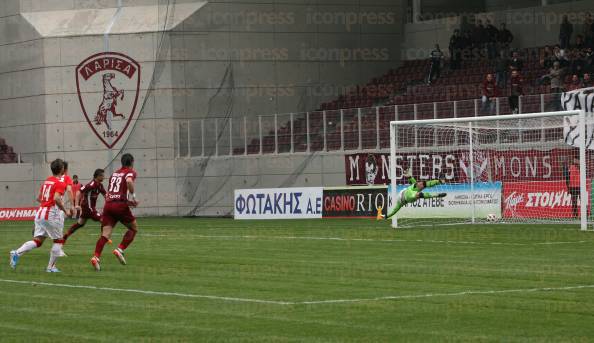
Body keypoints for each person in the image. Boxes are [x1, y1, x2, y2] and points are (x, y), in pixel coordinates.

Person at [9, 159, 72, 272]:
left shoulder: (47, 181)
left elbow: (39, 198)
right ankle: (51, 267)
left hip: (40, 212)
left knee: (38, 241)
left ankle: (16, 253)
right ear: (62, 169)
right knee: (59, 240)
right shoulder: (60, 183)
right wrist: (65, 210)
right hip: (50, 213)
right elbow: (57, 198)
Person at [91, 153, 139, 271]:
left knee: (105, 235)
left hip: (109, 205)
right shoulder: (130, 172)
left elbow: (115, 193)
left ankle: (96, 257)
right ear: (132, 162)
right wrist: (134, 197)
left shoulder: (114, 174)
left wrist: (127, 202)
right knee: (133, 228)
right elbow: (128, 181)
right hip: (120, 206)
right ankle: (120, 249)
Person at [380, 170, 447, 220]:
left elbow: (414, 183)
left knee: (423, 184)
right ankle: (436, 193)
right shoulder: (402, 201)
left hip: (410, 191)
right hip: (407, 197)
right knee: (420, 193)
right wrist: (386, 216)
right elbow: (395, 210)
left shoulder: (410, 189)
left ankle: (439, 181)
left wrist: (409, 177)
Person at [63, 169, 106, 243]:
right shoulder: (91, 185)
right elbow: (78, 192)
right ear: (97, 176)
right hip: (89, 208)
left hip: (88, 208)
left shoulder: (100, 186)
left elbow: (106, 196)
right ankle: (103, 239)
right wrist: (76, 205)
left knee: (80, 224)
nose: (104, 177)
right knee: (104, 221)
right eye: (102, 176)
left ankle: (65, 236)